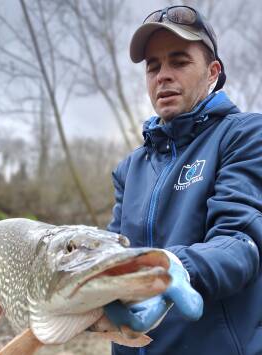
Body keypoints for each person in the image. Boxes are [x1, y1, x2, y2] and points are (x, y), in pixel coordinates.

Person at [104, 5, 262, 355]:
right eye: (153, 66)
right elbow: (113, 253)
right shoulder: (129, 169)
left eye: (179, 61)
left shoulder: (246, 135)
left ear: (212, 72)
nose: (163, 76)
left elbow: (240, 242)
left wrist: (172, 267)